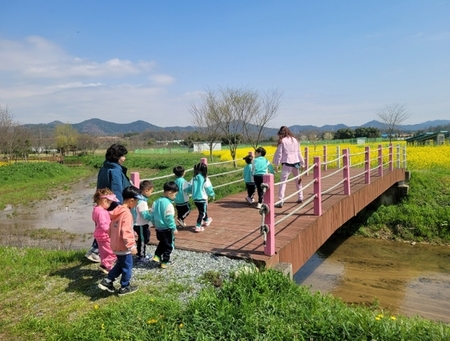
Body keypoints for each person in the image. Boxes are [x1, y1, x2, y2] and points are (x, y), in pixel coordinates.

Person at [85, 144, 131, 263]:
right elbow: (117, 190)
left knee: (101, 228)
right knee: (108, 230)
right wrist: (121, 207)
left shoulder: (104, 167)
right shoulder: (115, 170)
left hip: (103, 202)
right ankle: (99, 253)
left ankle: (95, 251)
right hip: (112, 204)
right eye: (123, 156)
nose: (124, 158)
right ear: (117, 157)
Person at [98, 186, 140, 296]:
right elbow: (125, 231)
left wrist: (113, 238)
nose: (136, 204)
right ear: (131, 200)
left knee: (120, 265)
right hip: (124, 246)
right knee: (127, 267)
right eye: (136, 201)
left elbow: (111, 228)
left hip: (115, 244)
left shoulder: (117, 211)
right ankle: (124, 287)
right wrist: (131, 246)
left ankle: (107, 281)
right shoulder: (127, 214)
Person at [272, 126, 305, 208]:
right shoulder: (295, 140)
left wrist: (277, 164)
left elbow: (279, 154)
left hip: (287, 163)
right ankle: (300, 197)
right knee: (298, 180)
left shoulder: (282, 141)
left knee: (283, 182)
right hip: (296, 162)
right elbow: (299, 152)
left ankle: (281, 200)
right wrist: (302, 163)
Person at [148, 181, 179, 269]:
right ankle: (165, 261)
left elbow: (152, 215)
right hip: (167, 229)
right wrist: (173, 228)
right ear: (169, 193)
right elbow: (169, 218)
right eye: (175, 194)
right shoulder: (169, 205)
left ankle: (157, 256)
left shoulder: (156, 202)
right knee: (168, 246)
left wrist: (154, 223)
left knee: (162, 242)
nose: (175, 196)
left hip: (158, 228)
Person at [92, 188, 119, 274]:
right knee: (114, 252)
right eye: (109, 203)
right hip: (106, 235)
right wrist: (111, 230)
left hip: (99, 235)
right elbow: (104, 225)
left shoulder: (96, 209)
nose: (110, 205)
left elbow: (95, 220)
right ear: (104, 201)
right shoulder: (102, 212)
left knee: (103, 253)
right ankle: (105, 265)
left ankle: (106, 267)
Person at [186, 162, 215, 232]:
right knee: (202, 212)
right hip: (202, 198)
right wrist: (212, 194)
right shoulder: (205, 178)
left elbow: (189, 187)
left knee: (202, 210)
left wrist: (189, 192)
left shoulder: (194, 178)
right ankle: (198, 226)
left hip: (195, 198)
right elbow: (209, 188)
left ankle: (206, 220)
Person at [133, 180, 154, 262]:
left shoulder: (137, 199)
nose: (151, 194)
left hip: (139, 223)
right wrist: (152, 218)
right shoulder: (142, 202)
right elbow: (144, 214)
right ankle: (141, 256)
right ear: (146, 190)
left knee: (145, 237)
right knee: (142, 239)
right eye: (151, 191)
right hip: (140, 224)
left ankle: (141, 253)